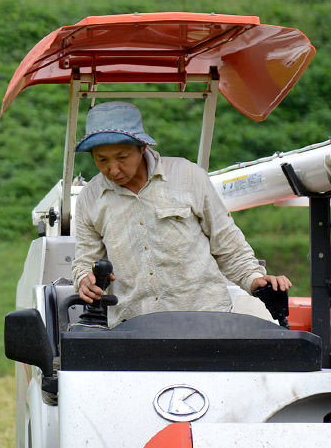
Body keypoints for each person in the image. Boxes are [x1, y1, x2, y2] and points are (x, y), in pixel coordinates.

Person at [71, 101, 291, 328]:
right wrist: (84, 280)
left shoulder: (188, 176)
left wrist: (254, 279)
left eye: (122, 157)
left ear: (142, 147)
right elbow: (85, 261)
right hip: (135, 325)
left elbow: (227, 243)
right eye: (102, 160)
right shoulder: (89, 198)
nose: (113, 169)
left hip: (206, 320)